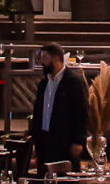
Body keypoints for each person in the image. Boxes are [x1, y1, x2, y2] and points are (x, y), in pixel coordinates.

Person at [29, 43, 89, 172]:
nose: (41, 62)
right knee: (44, 178)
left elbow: (81, 113)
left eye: (44, 58)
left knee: (66, 181)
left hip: (65, 140)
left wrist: (78, 141)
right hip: (45, 140)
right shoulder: (44, 83)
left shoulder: (74, 82)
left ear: (56, 59)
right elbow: (39, 110)